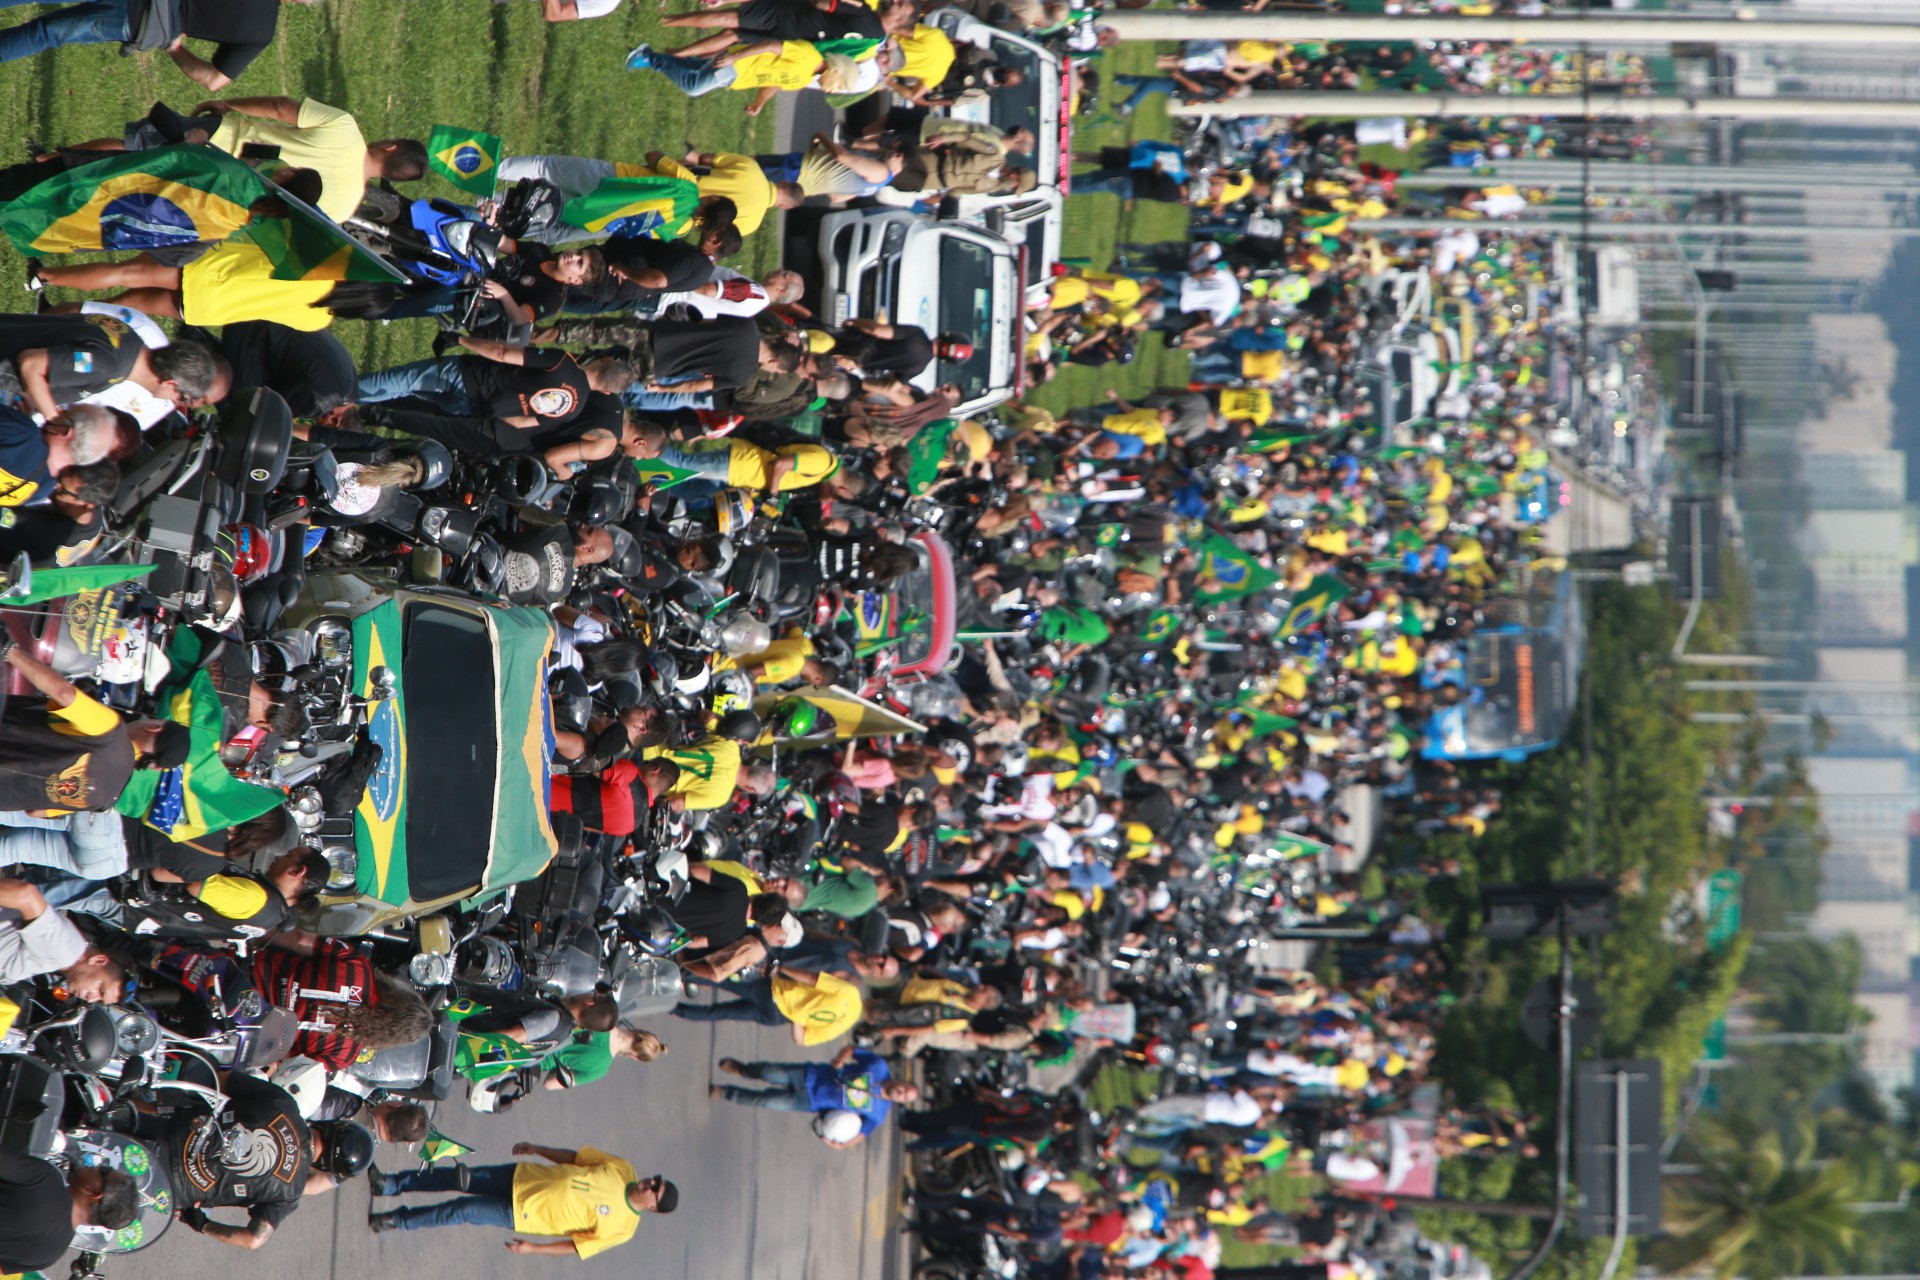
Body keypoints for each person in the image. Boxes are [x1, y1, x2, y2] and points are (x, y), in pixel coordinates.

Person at [367, 1141, 676, 1256]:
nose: (650, 1183)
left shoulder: (622, 1228)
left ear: (652, 1206)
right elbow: (577, 1157)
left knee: (460, 1211)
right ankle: (391, 1183)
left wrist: (533, 1249)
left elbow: (576, 1246)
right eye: (656, 1180)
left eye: (655, 1189)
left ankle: (396, 1220)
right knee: (458, 1178)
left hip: (521, 1212)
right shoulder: (624, 1169)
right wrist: (538, 1149)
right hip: (521, 1176)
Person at [0, 637, 188, 812]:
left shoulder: (111, 731)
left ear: (154, 727)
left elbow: (62, 693)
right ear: (155, 767)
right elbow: (36, 812)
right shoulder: (105, 800)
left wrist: (9, 650)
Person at [0, 0, 304, 85]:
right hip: (143, 23)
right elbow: (214, 80)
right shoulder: (260, 34)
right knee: (46, 33)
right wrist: (175, 48)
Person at [357, 339, 632, 429]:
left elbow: (503, 353)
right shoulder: (573, 409)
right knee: (402, 392)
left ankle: (331, 391)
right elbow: (521, 422)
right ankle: (342, 399)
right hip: (475, 407)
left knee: (395, 382)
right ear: (607, 391)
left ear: (605, 359)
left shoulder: (563, 362)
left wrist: (461, 339)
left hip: (468, 376)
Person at [713, 1046, 918, 1145]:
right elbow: (853, 1049)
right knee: (767, 1072)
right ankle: (745, 1070)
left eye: (903, 1097)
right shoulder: (878, 1067)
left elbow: (861, 1134)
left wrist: (836, 1143)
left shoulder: (879, 1114)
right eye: (904, 1089)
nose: (900, 1093)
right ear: (902, 1081)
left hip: (810, 1102)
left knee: (765, 1100)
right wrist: (839, 1059)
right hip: (811, 1075)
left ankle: (725, 1092)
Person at [0, 1146, 137, 1273]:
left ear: (94, 1193)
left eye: (104, 1171)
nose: (98, 1165)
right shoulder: (51, 1255)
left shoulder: (46, 1179)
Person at [0, 878, 130, 998]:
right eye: (101, 990)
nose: (91, 999)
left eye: (99, 1001)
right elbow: (25, 895)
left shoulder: (65, 955)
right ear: (99, 961)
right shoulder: (63, 952)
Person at [0, 402, 137, 509]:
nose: (58, 411)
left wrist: (20, 423)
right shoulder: (42, 490)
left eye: (65, 413)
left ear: (65, 432)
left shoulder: (24, 435)